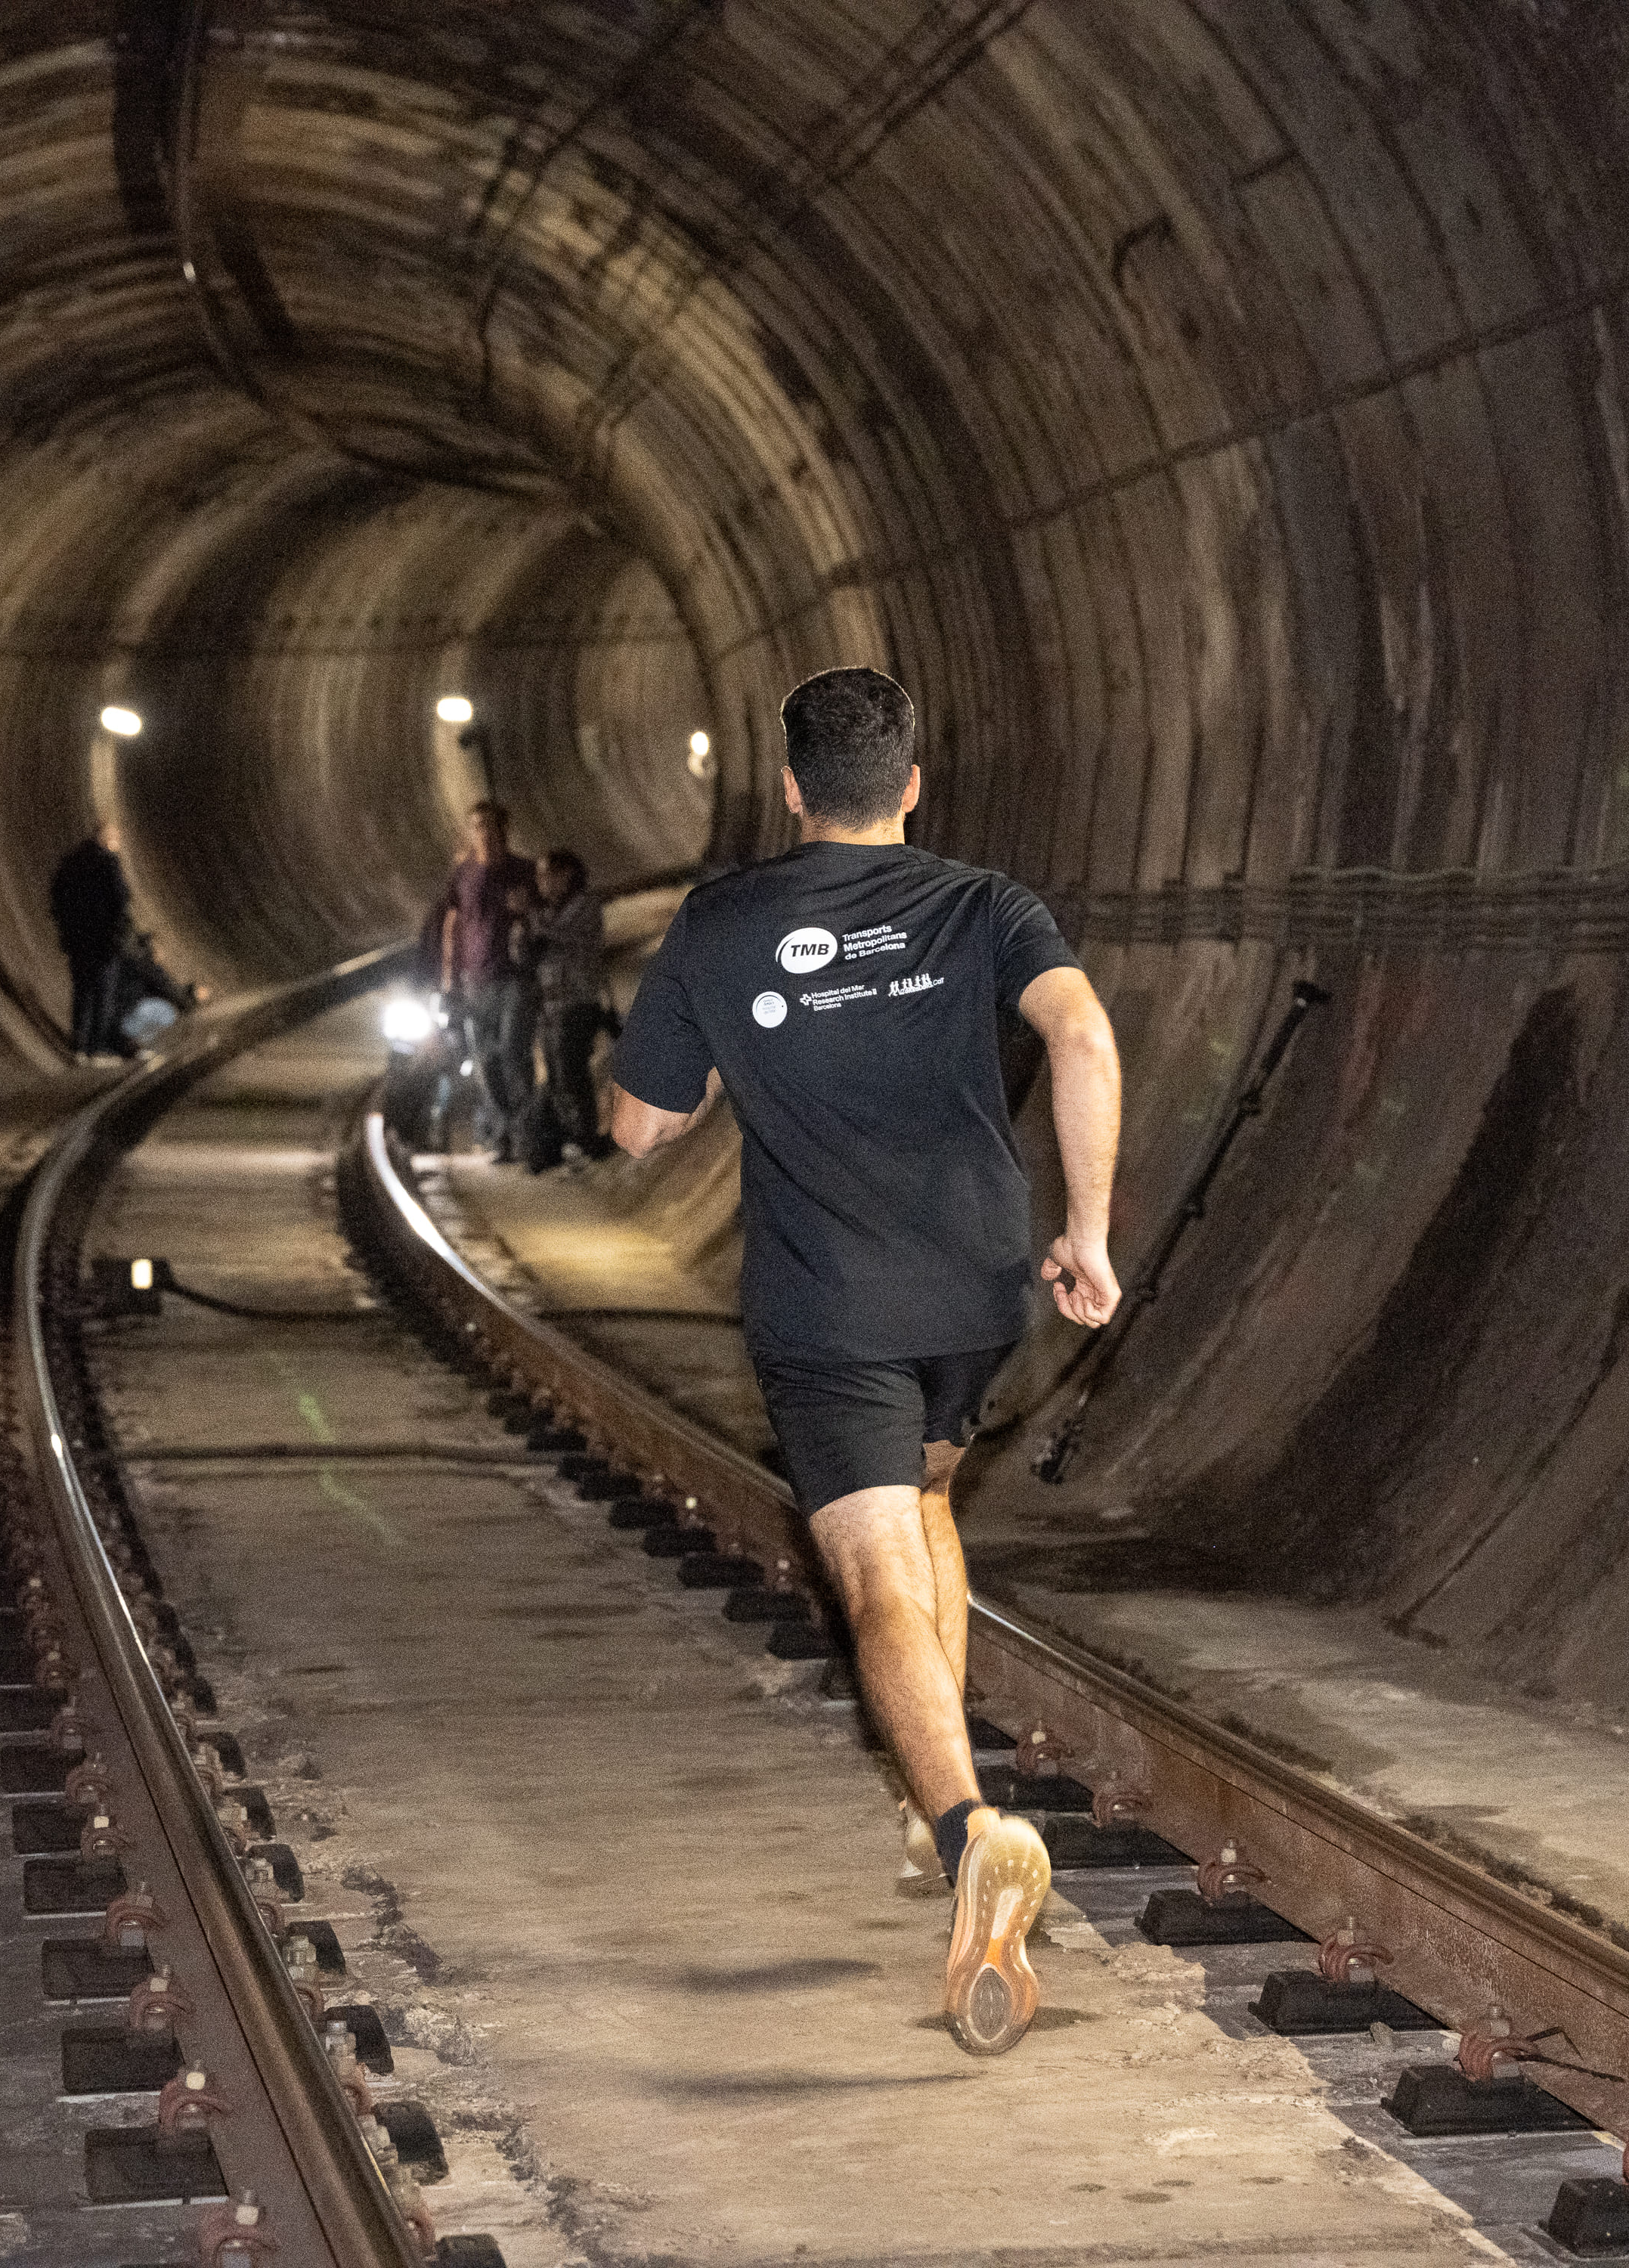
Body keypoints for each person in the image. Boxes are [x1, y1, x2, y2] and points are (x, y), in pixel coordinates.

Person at [607, 667, 1123, 2056]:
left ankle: (969, 1832)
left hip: (829, 1307)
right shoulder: (988, 906)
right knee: (935, 1502)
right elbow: (1078, 1031)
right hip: (974, 1288)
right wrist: (1087, 1231)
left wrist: (710, 1057)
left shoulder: (724, 923)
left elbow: (640, 1128)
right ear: (910, 784)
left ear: (787, 788)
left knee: (874, 1573)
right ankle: (925, 1797)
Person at [422, 801, 542, 1160]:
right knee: (487, 1062)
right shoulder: (463, 874)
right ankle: (505, 1135)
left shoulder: (525, 870)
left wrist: (528, 911)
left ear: (504, 830)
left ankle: (528, 1138)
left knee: (513, 1053)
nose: (485, 834)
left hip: (515, 980)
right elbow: (452, 925)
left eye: (491, 826)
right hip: (474, 982)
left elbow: (543, 916)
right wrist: (448, 981)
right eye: (478, 827)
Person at [531, 848, 618, 1163]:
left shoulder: (584, 906)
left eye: (547, 874)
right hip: (552, 1005)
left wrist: (532, 923)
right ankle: (575, 1137)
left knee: (572, 1071)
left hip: (580, 1002)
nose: (541, 882)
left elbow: (562, 937)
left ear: (566, 874)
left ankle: (589, 1137)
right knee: (557, 1073)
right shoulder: (548, 912)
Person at [48, 823, 132, 1062]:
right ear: (107, 839)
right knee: (103, 993)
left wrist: (66, 928)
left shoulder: (72, 861)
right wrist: (117, 932)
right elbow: (121, 898)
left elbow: (57, 895)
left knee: (82, 991)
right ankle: (97, 1049)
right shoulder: (109, 863)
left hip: (77, 939)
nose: (118, 843)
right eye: (116, 838)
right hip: (103, 940)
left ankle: (79, 1048)